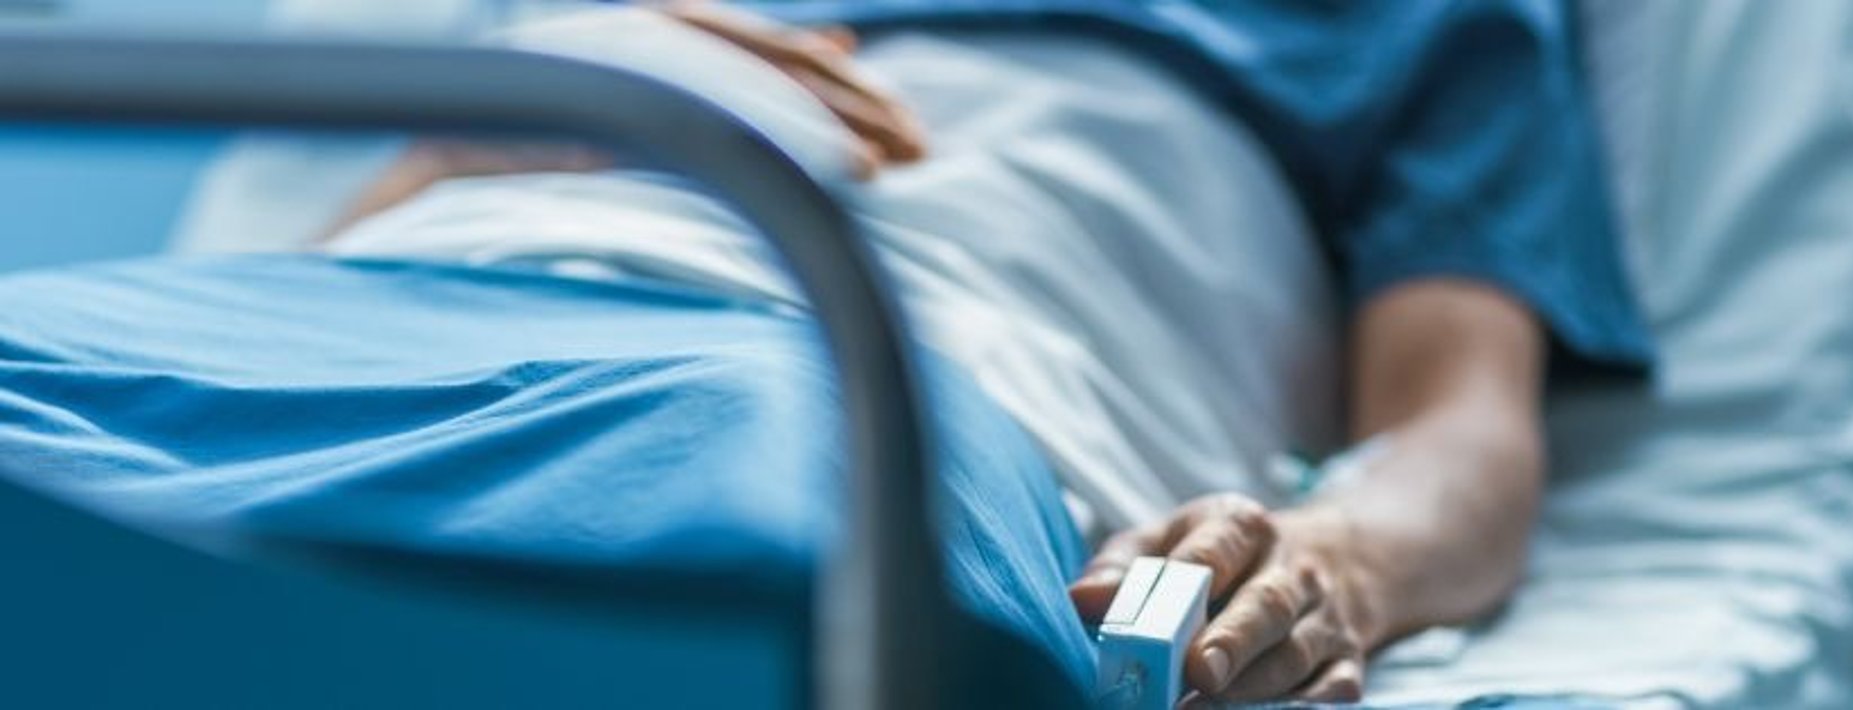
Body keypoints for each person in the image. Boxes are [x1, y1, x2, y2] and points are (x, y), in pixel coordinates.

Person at [321, 0, 1653, 703]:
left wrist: (1327, 561)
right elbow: (320, 264)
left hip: (863, 362)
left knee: (696, 576)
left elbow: (1458, 426)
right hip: (395, 301)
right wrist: (488, 123)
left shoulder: (1423, 19)